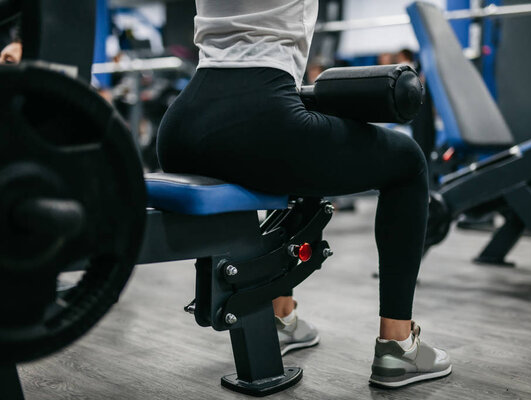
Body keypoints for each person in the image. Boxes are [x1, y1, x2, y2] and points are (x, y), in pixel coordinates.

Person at [157, 0, 451, 388]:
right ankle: (398, 347)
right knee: (408, 162)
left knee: (295, 153)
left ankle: (280, 315)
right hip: (260, 112)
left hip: (183, 122)